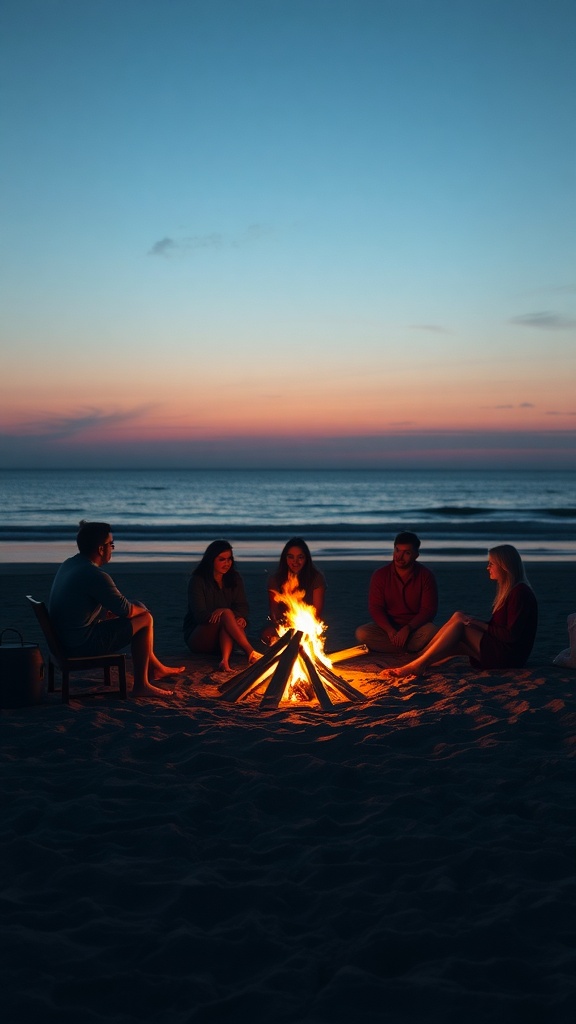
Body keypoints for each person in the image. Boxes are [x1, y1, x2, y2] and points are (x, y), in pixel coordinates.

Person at [49, 520, 184, 697]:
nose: (113, 548)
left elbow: (96, 601)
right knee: (145, 618)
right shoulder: (95, 575)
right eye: (111, 544)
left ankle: (156, 668)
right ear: (101, 549)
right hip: (80, 645)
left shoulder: (70, 564)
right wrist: (143, 613)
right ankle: (141, 685)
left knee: (139, 606)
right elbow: (127, 611)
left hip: (65, 639)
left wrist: (134, 609)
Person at [382, 543, 538, 679]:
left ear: (504, 566)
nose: (487, 567)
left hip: (509, 657)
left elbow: (509, 635)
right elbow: (499, 628)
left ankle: (417, 665)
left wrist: (473, 622)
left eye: (491, 564)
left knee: (460, 627)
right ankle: (421, 657)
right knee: (458, 617)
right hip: (502, 649)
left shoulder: (519, 593)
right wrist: (471, 620)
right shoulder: (512, 590)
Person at [355, 532, 438, 656]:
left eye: (407, 553)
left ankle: (398, 648)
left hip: (415, 629)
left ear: (416, 555)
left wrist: (408, 628)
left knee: (432, 631)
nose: (399, 557)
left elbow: (428, 610)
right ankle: (410, 649)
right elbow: (376, 608)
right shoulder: (380, 575)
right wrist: (390, 630)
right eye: (397, 550)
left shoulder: (426, 576)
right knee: (362, 633)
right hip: (389, 629)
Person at [183, 540, 261, 671]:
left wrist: (240, 618)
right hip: (199, 637)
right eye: (222, 559)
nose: (227, 563)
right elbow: (199, 615)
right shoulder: (198, 580)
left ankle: (224, 661)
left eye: (229, 559)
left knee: (230, 618)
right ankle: (251, 652)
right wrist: (224, 614)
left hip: (224, 639)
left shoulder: (234, 578)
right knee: (226, 614)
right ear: (211, 560)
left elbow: (242, 607)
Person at [261, 537, 326, 645]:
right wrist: (286, 624)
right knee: (268, 635)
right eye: (291, 557)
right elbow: (274, 611)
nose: (295, 562)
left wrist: (300, 624)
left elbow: (317, 612)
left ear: (306, 559)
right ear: (285, 559)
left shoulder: (316, 578)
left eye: (300, 557)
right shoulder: (275, 579)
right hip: (282, 624)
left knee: (305, 639)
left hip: (307, 624)